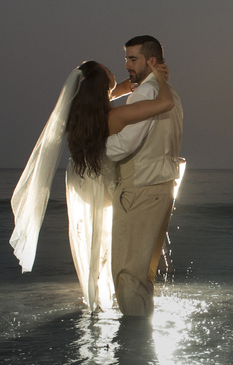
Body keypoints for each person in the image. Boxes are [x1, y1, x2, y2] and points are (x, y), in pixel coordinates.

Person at [10, 59, 175, 312]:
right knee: (108, 235)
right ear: (101, 87)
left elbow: (120, 89)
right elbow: (164, 104)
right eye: (109, 71)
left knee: (97, 236)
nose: (114, 72)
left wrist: (138, 80)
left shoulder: (80, 110)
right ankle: (115, 294)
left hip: (80, 176)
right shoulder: (115, 116)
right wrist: (160, 78)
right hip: (98, 182)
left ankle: (98, 293)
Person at [105, 36, 184, 317]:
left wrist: (93, 148)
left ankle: (132, 352)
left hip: (139, 189)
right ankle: (143, 341)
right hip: (162, 188)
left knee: (128, 274)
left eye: (133, 59)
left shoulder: (146, 94)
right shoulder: (169, 92)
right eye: (126, 59)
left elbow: (124, 145)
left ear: (151, 61)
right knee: (144, 273)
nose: (127, 65)